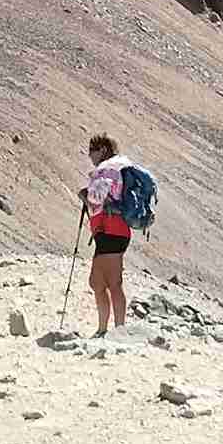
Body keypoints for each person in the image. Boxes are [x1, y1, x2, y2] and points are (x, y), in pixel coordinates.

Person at [80, 135, 147, 332]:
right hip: (113, 230)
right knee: (99, 281)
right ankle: (109, 329)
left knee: (110, 282)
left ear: (102, 150)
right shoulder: (120, 166)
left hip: (110, 229)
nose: (90, 156)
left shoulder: (107, 168)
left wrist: (84, 195)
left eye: (91, 151)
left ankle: (114, 330)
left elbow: (97, 197)